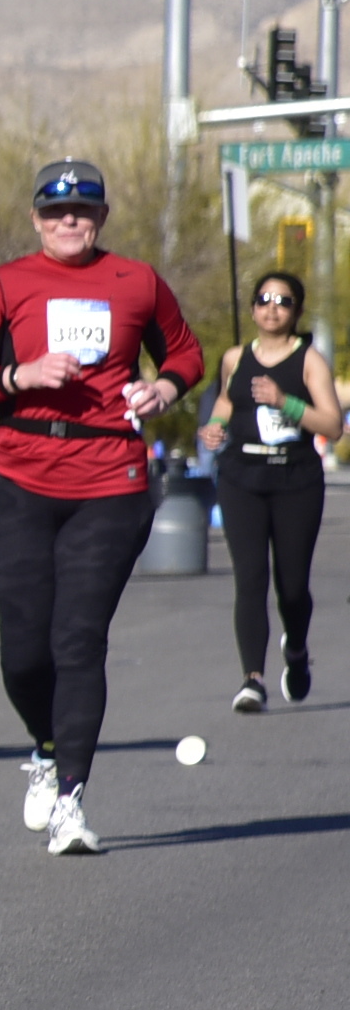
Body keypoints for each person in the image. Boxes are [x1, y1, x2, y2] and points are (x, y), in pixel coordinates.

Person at [0, 159, 200, 856]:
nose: (69, 222)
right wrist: (18, 375)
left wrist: (164, 390)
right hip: (20, 476)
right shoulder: (5, 284)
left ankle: (71, 800)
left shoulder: (136, 281)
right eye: (56, 211)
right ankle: (46, 744)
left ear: (101, 218)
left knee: (79, 640)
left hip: (109, 478)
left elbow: (185, 354)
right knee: (25, 653)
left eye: (83, 211)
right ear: (36, 219)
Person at [193, 269, 340, 711]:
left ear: (297, 311)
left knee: (291, 587)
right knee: (250, 578)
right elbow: (226, 399)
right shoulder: (235, 357)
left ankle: (295, 649)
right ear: (253, 307)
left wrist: (284, 401)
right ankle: (252, 680)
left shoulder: (309, 361)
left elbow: (332, 425)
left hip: (295, 479)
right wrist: (215, 427)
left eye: (283, 301)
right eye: (264, 299)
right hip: (242, 477)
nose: (272, 309)